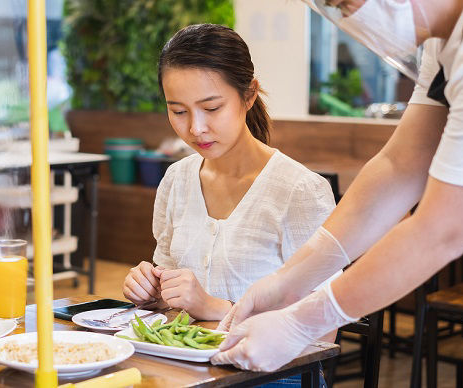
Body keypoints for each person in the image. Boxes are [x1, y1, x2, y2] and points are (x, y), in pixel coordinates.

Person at [212, 0, 463, 373]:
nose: (347, 18)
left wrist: (302, 321)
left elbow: (443, 228)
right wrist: (287, 281)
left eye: (343, 2)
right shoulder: (445, 40)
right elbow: (399, 165)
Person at [122, 24, 339, 330]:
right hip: (186, 367)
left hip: (270, 373)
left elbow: (324, 327)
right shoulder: (177, 180)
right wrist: (154, 293)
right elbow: (170, 295)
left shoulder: (299, 190)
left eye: (212, 108)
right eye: (179, 111)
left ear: (248, 95)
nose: (196, 128)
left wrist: (216, 308)